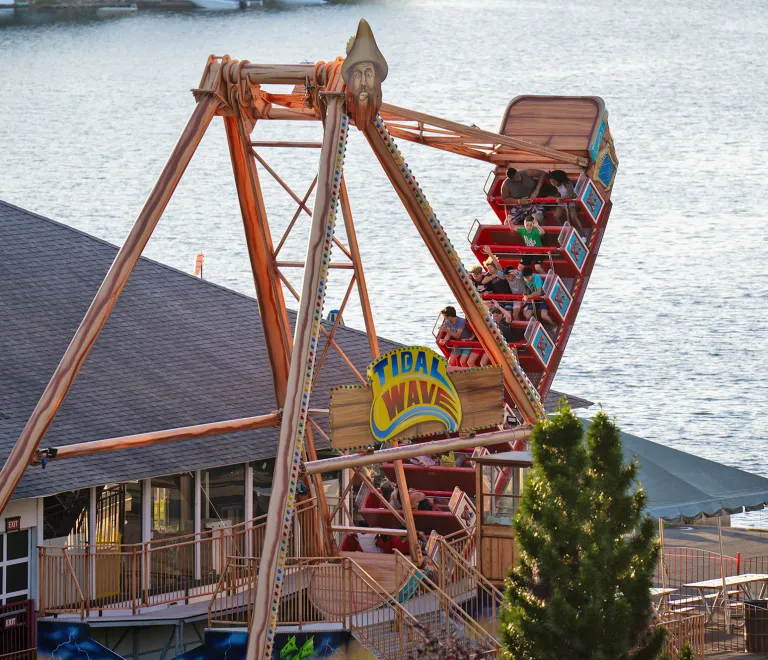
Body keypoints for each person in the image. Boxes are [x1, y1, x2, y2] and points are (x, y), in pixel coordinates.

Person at [548, 170, 586, 236]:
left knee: (573, 216)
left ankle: (582, 234)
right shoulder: (557, 185)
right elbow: (559, 193)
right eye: (551, 182)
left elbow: (571, 194)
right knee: (556, 216)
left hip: (571, 201)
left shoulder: (567, 183)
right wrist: (554, 197)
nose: (552, 183)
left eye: (553, 181)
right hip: (563, 202)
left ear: (558, 179)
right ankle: (565, 230)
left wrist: (560, 198)